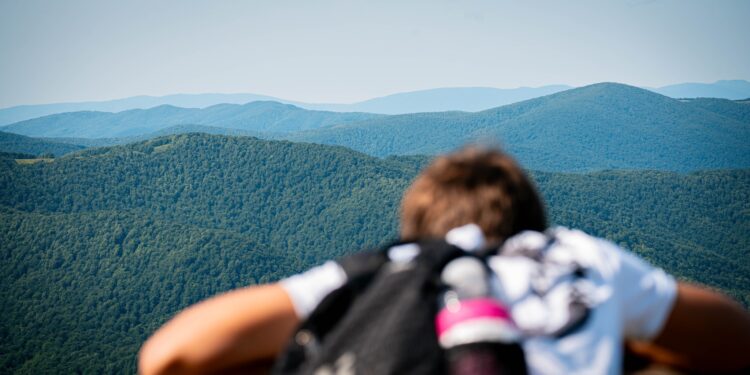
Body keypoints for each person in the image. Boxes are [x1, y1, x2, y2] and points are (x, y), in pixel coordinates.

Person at [139, 147, 750, 375]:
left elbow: (169, 355)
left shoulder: (379, 272)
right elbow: (732, 338)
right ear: (533, 224)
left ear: (416, 237)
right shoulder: (575, 257)